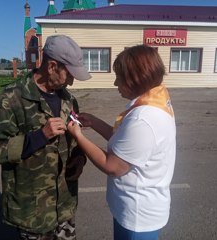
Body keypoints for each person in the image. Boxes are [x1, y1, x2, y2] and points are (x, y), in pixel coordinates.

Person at [0, 35, 91, 240]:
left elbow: (73, 141)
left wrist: (79, 157)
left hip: (64, 204)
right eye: (69, 74)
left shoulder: (68, 99)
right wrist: (39, 136)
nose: (72, 80)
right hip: (33, 211)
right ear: (51, 67)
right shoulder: (12, 98)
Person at [67, 45, 176, 240]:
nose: (115, 82)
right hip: (140, 211)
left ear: (135, 79)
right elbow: (126, 146)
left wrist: (79, 136)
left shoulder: (144, 118)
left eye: (119, 77)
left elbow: (113, 166)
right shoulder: (155, 102)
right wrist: (94, 122)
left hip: (137, 217)